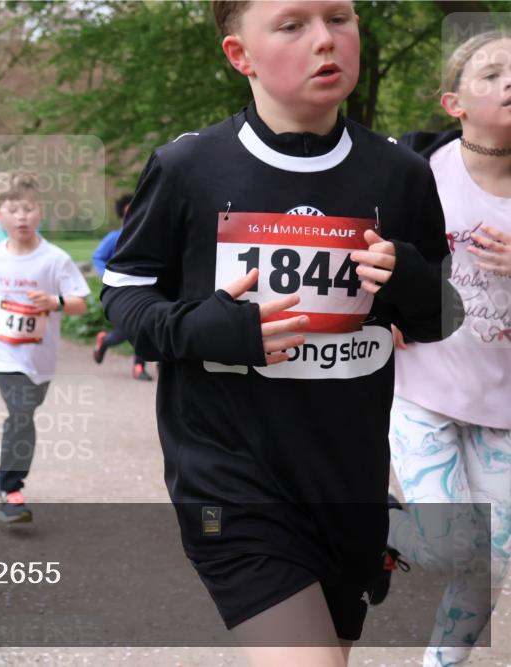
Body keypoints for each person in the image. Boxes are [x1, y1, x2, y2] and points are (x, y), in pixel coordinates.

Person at [101, 1, 456, 661]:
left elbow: (440, 316)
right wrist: (205, 329)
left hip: (347, 482)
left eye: (339, 18)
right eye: (293, 25)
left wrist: (406, 274)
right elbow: (123, 297)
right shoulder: (188, 167)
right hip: (230, 476)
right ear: (241, 56)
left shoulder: (401, 173)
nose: (325, 39)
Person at [378, 31, 511, 667]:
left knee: (491, 559)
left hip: (505, 405)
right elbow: (367, 253)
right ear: (453, 103)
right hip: (423, 387)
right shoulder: (416, 173)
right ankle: (364, 521)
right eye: (493, 73)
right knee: (445, 548)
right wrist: (384, 309)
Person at [0, 173, 90, 523]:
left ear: (41, 213)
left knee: (25, 414)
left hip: (40, 356)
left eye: (29, 209)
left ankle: (6, 465)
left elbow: (80, 303)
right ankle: (11, 489)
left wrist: (54, 301)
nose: (21, 217)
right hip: (4, 350)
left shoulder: (55, 259)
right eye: (13, 209)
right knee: (20, 413)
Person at [91, 194, 153, 381]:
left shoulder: (149, 236)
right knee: (125, 331)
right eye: (128, 213)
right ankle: (105, 341)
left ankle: (138, 366)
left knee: (143, 327)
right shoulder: (114, 237)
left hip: (143, 289)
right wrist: (107, 276)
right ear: (122, 216)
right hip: (120, 291)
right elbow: (98, 257)